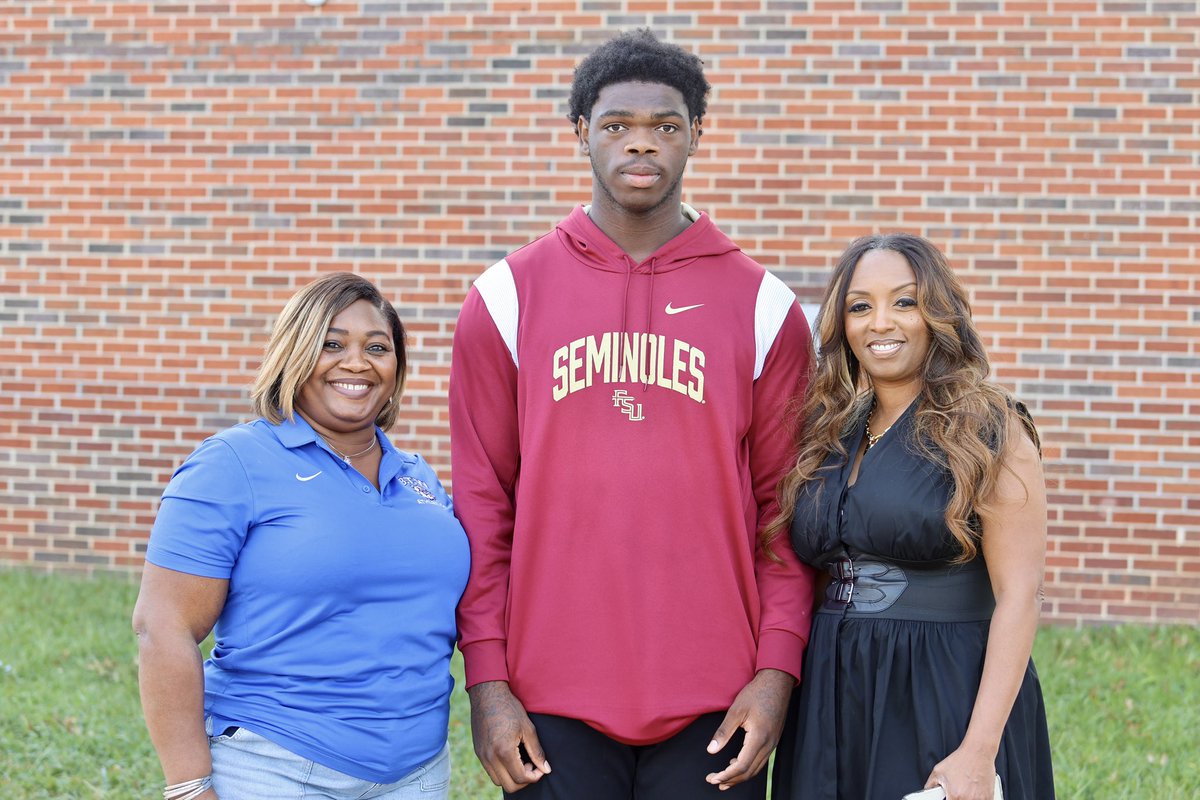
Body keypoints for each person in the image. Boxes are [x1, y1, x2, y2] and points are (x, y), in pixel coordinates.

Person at [449, 28, 816, 800]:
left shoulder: (765, 306)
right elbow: (484, 506)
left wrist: (776, 671)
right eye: (617, 125)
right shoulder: (506, 297)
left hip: (717, 699)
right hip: (548, 698)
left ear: (697, 135)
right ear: (582, 131)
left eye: (665, 127)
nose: (640, 145)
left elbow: (783, 512)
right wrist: (487, 683)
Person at [132, 273, 470, 800]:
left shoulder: (418, 478)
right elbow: (163, 626)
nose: (356, 363)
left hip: (417, 772)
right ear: (294, 353)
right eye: (331, 344)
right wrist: (189, 785)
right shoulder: (232, 463)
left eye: (377, 347)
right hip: (277, 768)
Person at [768, 233, 1055, 800]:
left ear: (938, 314)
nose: (881, 323)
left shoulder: (989, 427)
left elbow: (1020, 595)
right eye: (860, 306)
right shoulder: (827, 434)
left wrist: (978, 750)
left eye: (904, 301)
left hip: (940, 681)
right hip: (834, 681)